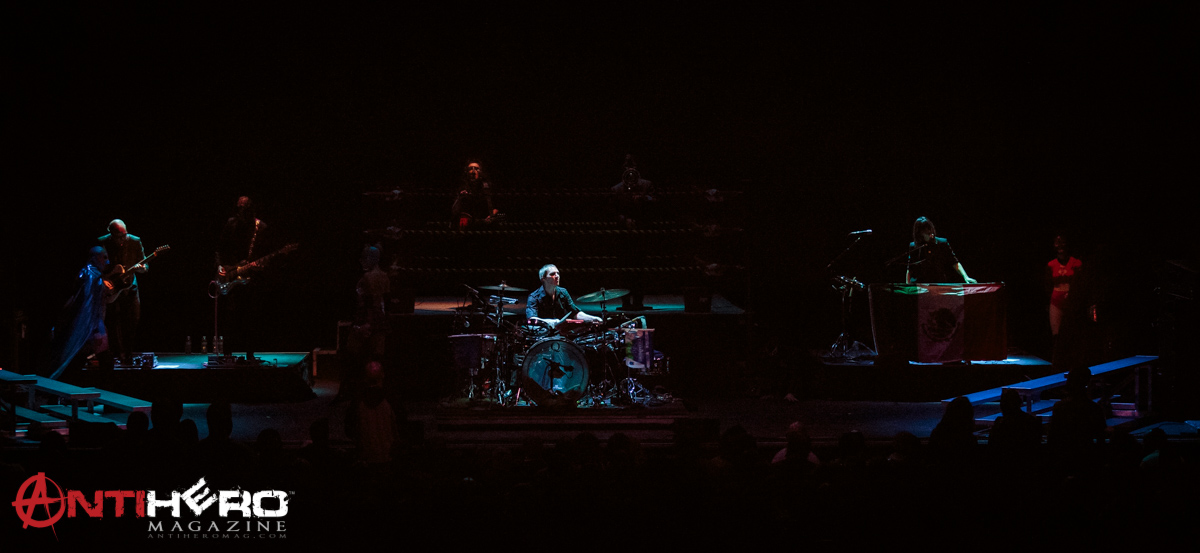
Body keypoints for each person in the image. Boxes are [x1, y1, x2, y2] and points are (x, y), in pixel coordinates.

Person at [215, 196, 270, 362]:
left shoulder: (260, 227)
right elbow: (220, 248)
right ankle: (227, 354)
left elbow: (266, 254)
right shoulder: (231, 224)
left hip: (252, 278)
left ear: (251, 209)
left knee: (251, 316)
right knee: (230, 317)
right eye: (239, 208)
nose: (241, 212)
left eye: (244, 209)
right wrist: (221, 267)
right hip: (232, 276)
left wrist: (261, 265)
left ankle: (250, 355)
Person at [47, 246, 111, 379]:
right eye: (104, 257)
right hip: (90, 325)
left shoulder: (91, 275)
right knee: (92, 358)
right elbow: (88, 304)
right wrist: (95, 326)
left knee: (79, 357)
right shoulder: (92, 276)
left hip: (90, 325)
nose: (107, 262)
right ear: (95, 258)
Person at [98, 219, 148, 366]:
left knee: (133, 321)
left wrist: (142, 268)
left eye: (124, 235)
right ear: (111, 234)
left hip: (130, 288)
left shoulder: (135, 241)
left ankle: (128, 355)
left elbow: (145, 265)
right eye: (118, 236)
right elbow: (96, 266)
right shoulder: (102, 242)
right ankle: (116, 355)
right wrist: (106, 277)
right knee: (113, 322)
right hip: (112, 288)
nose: (122, 239)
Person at [525, 264, 602, 330]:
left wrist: (592, 318)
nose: (557, 276)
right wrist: (551, 322)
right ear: (543, 279)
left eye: (558, 273)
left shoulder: (563, 292)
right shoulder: (534, 297)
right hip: (543, 333)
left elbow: (574, 313)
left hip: (561, 332)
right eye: (552, 274)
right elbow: (532, 319)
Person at [905, 216, 977, 284]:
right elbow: (910, 269)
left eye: (930, 230)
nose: (930, 233)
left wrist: (965, 277)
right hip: (920, 286)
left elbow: (954, 262)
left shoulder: (942, 243)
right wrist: (907, 287)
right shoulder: (914, 246)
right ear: (920, 233)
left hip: (938, 284)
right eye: (926, 232)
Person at [1046, 235, 1083, 362]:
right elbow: (1047, 284)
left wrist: (1073, 295)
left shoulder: (1076, 263)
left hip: (1071, 302)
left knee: (1072, 334)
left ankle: (1073, 362)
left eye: (1062, 242)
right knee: (1056, 335)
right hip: (1056, 301)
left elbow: (1080, 283)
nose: (1060, 246)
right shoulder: (1051, 264)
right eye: (1057, 243)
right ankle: (1057, 363)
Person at [451, 160, 500, 229]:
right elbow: (454, 209)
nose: (473, 171)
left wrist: (492, 216)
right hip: (466, 225)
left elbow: (497, 205)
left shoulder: (487, 187)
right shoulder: (461, 187)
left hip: (485, 225)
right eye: (470, 168)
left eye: (476, 169)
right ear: (466, 172)